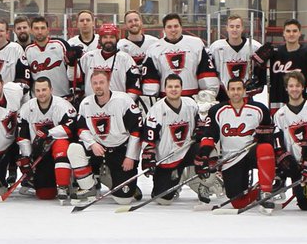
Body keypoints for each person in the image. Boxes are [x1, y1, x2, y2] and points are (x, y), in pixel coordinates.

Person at [196, 77, 275, 211]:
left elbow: (269, 135)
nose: (236, 92)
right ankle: (257, 190)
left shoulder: (259, 109)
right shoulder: (217, 110)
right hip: (231, 158)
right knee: (238, 203)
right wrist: (203, 155)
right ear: (227, 92)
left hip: (250, 152)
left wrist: (263, 136)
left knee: (266, 148)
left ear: (244, 91)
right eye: (232, 89)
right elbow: (209, 135)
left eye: (239, 89)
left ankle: (266, 191)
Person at [15, 75, 88, 201]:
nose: (41, 93)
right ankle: (41, 181)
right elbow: (23, 137)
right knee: (45, 195)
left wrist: (48, 133)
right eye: (38, 90)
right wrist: (28, 157)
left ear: (51, 90)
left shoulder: (63, 106)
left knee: (61, 144)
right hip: (40, 152)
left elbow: (70, 129)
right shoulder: (26, 108)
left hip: (60, 150)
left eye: (44, 90)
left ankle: (63, 186)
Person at [77, 70, 143, 203]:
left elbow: (137, 130)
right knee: (74, 149)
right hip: (98, 149)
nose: (98, 86)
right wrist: (92, 143)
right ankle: (88, 186)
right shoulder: (86, 103)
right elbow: (80, 128)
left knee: (123, 200)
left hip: (120, 150)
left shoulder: (123, 100)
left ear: (108, 83)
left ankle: (116, 181)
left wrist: (130, 157)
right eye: (95, 83)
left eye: (101, 82)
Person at [138, 74, 201, 203]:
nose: (174, 89)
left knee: (207, 151)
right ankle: (176, 180)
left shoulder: (190, 104)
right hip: (166, 158)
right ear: (165, 89)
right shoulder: (156, 110)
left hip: (187, 150)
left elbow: (200, 126)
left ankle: (201, 184)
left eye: (177, 86)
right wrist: (148, 158)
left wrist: (200, 133)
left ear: (182, 88)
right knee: (162, 199)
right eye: (170, 86)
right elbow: (149, 138)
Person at [270, 71, 307, 211]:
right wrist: (287, 161)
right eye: (291, 86)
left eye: (297, 85)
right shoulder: (280, 114)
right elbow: (278, 144)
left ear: (303, 87)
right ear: (286, 88)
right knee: (305, 203)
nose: (294, 89)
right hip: (295, 164)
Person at [140, 14, 217, 100]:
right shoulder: (154, 48)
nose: (173, 30)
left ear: (181, 27)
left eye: (176, 26)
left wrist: (208, 95)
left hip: (192, 98)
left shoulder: (196, 44)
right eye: (169, 27)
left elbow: (206, 73)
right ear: (164, 29)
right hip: (165, 99)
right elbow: (151, 79)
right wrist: (151, 98)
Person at [265, 18, 307, 107]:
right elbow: (263, 78)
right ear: (283, 33)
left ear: (299, 33)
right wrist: (259, 62)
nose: (291, 34)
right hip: (278, 105)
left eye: (294, 31)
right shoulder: (274, 54)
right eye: (288, 31)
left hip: (303, 106)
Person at [22, 16, 82, 101]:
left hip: (63, 98)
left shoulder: (60, 44)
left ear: (48, 29)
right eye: (36, 28)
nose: (40, 32)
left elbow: (75, 75)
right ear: (31, 30)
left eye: (43, 28)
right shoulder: (27, 50)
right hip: (38, 100)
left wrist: (72, 63)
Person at [77, 23, 141, 98]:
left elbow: (134, 86)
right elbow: (76, 80)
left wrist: (126, 103)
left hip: (117, 105)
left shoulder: (126, 59)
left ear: (117, 39)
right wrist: (71, 64)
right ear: (100, 39)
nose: (108, 40)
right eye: (105, 37)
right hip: (92, 105)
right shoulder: (88, 57)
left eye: (112, 37)